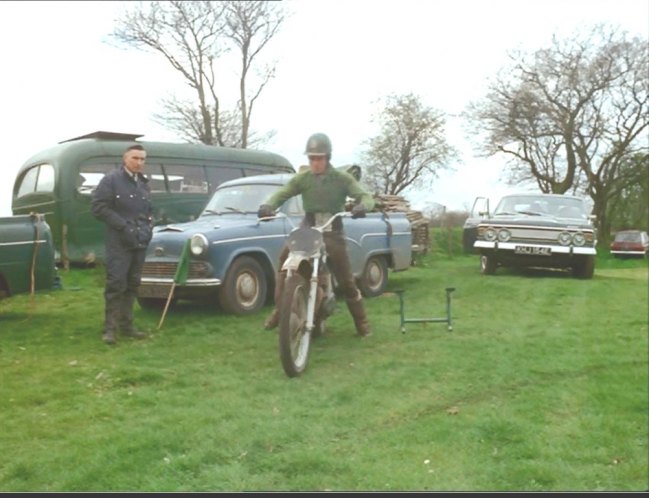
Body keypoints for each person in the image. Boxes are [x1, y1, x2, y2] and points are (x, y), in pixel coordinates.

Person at [258, 132, 375, 337]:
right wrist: (269, 205)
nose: (315, 163)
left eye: (319, 158)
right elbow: (283, 193)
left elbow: (364, 195)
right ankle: (281, 310)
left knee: (346, 279)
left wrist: (363, 206)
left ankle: (362, 323)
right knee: (286, 258)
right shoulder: (303, 179)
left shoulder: (341, 178)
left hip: (332, 230)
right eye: (312, 158)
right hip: (308, 227)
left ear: (327, 158)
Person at [91, 144, 153, 344]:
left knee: (133, 283)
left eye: (143, 159)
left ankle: (127, 326)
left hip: (139, 240)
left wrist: (148, 226)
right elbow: (98, 207)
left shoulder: (143, 183)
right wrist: (122, 225)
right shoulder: (111, 180)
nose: (139, 163)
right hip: (119, 241)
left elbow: (146, 210)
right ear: (125, 158)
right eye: (135, 158)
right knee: (116, 284)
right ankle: (110, 330)